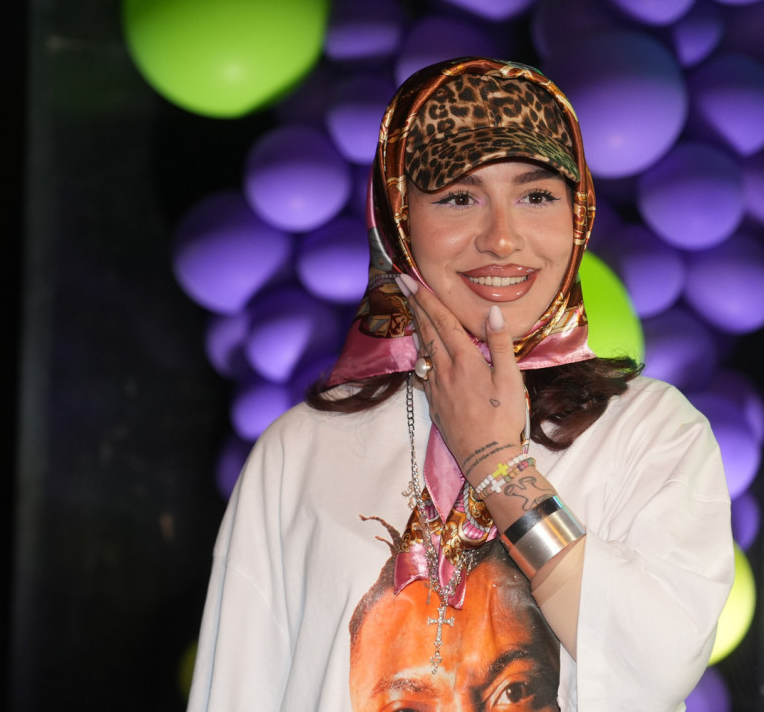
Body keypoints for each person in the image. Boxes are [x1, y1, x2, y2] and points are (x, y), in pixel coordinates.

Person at [188, 57, 734, 711]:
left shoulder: (651, 432)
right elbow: (237, 690)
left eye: (536, 196)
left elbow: (661, 662)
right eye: (457, 196)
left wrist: (500, 466)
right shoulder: (302, 448)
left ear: (578, 213)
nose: (502, 238)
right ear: (398, 218)